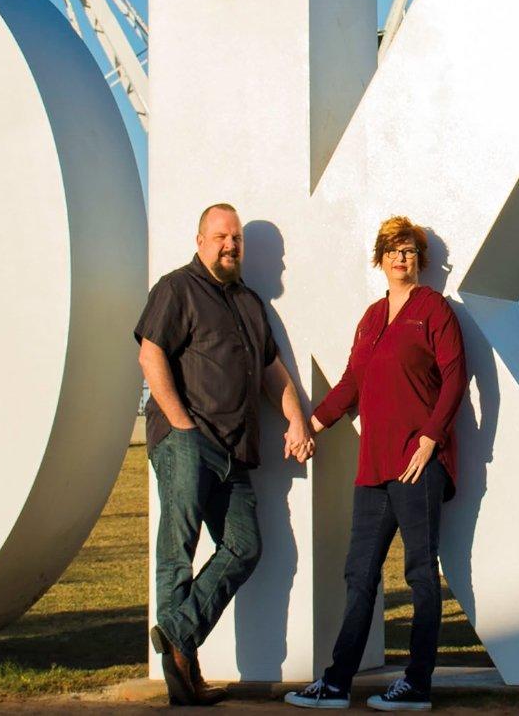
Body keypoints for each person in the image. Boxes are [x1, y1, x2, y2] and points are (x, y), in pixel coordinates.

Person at [137, 202, 315, 706]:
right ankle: (184, 680)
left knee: (244, 546)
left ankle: (176, 633)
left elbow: (271, 371)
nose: (230, 245)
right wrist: (182, 426)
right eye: (220, 237)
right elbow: (150, 354)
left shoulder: (251, 303)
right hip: (187, 442)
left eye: (236, 238)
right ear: (200, 241)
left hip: (236, 453)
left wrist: (296, 418)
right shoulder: (177, 289)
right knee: (178, 554)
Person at [287, 217, 466, 713]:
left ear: (420, 260)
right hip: (373, 470)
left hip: (416, 465)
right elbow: (351, 384)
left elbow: (455, 377)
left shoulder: (434, 311)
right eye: (392, 249)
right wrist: (310, 428)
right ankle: (337, 683)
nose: (400, 257)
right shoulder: (370, 318)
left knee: (420, 574)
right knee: (359, 575)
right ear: (380, 258)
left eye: (409, 250)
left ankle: (416, 685)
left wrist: (431, 440)